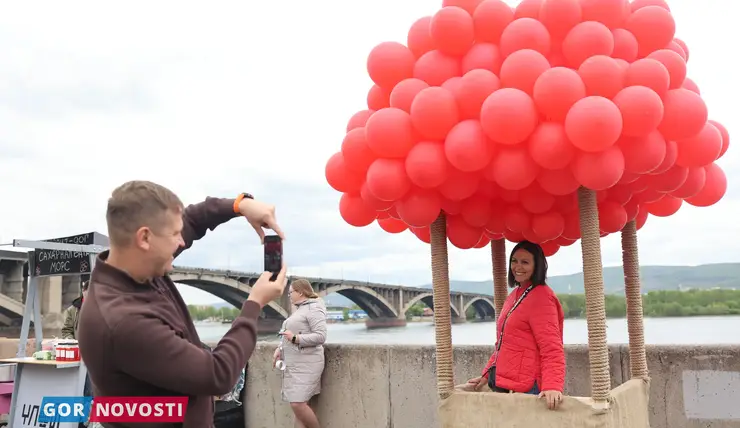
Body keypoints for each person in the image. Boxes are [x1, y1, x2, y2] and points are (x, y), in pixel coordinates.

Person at [77, 181, 288, 428]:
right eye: (175, 235)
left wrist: (240, 205)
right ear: (144, 237)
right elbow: (217, 374)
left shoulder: (137, 267)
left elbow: (193, 219)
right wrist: (254, 304)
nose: (181, 242)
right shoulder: (124, 321)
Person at [462, 240, 566, 410]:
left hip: (529, 388)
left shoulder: (541, 297)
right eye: (514, 261)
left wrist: (552, 386)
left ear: (537, 266)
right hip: (509, 384)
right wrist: (487, 374)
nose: (517, 266)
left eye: (525, 262)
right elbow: (503, 343)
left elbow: (552, 347)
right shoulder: (516, 294)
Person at [273, 279, 327, 428]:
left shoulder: (314, 309)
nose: (289, 295)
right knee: (300, 406)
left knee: (297, 404)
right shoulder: (301, 309)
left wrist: (295, 338)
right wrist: (280, 348)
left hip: (308, 364)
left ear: (301, 292)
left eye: (291, 292)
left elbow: (321, 336)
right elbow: (289, 335)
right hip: (296, 364)